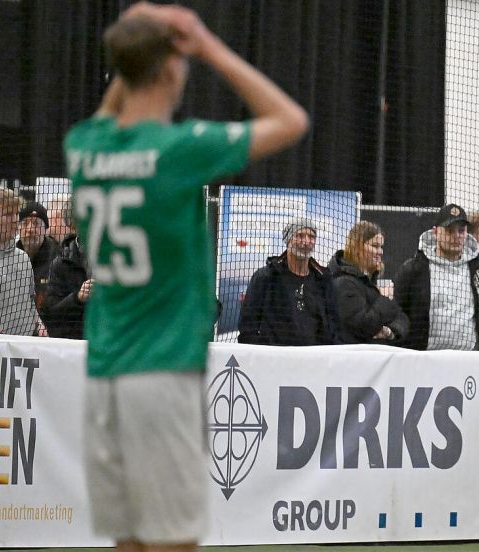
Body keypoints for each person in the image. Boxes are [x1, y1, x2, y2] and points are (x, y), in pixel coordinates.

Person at [65, 4, 307, 551]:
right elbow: (291, 120)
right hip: (163, 375)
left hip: (103, 376)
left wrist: (137, 35)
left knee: (129, 543)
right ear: (173, 70)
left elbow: (117, 102)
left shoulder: (84, 146)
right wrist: (207, 44)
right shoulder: (176, 150)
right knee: (174, 542)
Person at [393, 203, 479, 351]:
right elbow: (398, 311)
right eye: (449, 231)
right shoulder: (413, 270)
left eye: (461, 231)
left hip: (471, 360)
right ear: (435, 232)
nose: (456, 236)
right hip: (425, 359)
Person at [238, 218, 340, 346]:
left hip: (314, 360)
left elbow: (333, 324)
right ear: (288, 240)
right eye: (300, 235)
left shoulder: (323, 280)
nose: (306, 241)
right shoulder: (266, 277)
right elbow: (248, 325)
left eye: (311, 236)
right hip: (275, 360)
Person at [0, 186, 48, 336]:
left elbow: (29, 301)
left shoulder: (22, 258)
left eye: (16, 213)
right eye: (8, 214)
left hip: (23, 352)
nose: (15, 220)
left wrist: (38, 323)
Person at [328, 221, 408, 344]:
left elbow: (401, 318)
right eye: (375, 246)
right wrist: (384, 298)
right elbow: (363, 325)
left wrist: (389, 332)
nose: (380, 252)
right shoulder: (343, 283)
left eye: (381, 247)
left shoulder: (370, 282)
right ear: (358, 247)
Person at [41, 197, 92, 339]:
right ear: (73, 226)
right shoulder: (61, 263)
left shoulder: (114, 257)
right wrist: (78, 298)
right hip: (74, 343)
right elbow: (51, 311)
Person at [17, 200, 61, 309]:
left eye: (36, 224)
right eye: (25, 223)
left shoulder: (59, 257)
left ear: (45, 229)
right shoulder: (10, 257)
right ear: (18, 228)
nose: (30, 229)